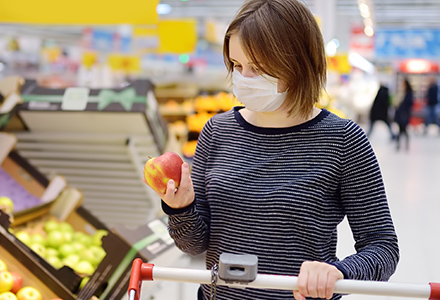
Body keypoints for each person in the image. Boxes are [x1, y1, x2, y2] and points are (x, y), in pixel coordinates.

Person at [144, 1, 399, 299]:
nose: (244, 78)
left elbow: (383, 247)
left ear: (298, 63)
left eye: (260, 67)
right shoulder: (217, 132)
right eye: (237, 66)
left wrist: (340, 272)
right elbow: (194, 245)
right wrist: (181, 208)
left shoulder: (343, 140)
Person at [394, 78, 414, 150]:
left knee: (403, 130)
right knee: (401, 130)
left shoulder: (409, 94)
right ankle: (400, 145)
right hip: (401, 114)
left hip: (404, 114)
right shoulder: (405, 93)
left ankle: (403, 145)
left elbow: (409, 104)